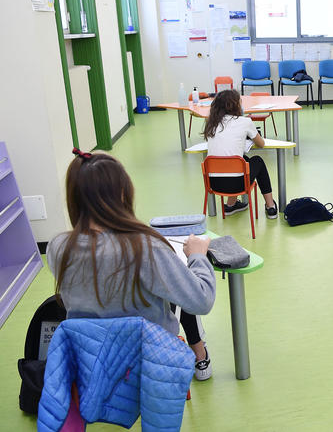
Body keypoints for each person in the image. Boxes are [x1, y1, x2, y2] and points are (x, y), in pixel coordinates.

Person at [47, 149, 216, 380]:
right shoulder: (144, 248)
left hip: (91, 369)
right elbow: (201, 300)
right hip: (148, 369)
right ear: (122, 192)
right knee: (182, 285)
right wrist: (197, 256)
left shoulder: (58, 247)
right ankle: (200, 355)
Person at [203, 89, 278, 218]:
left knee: (243, 159)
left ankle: (230, 205)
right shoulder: (245, 122)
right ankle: (270, 206)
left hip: (214, 184)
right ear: (236, 105)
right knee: (258, 161)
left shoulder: (211, 123)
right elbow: (261, 144)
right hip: (239, 184)